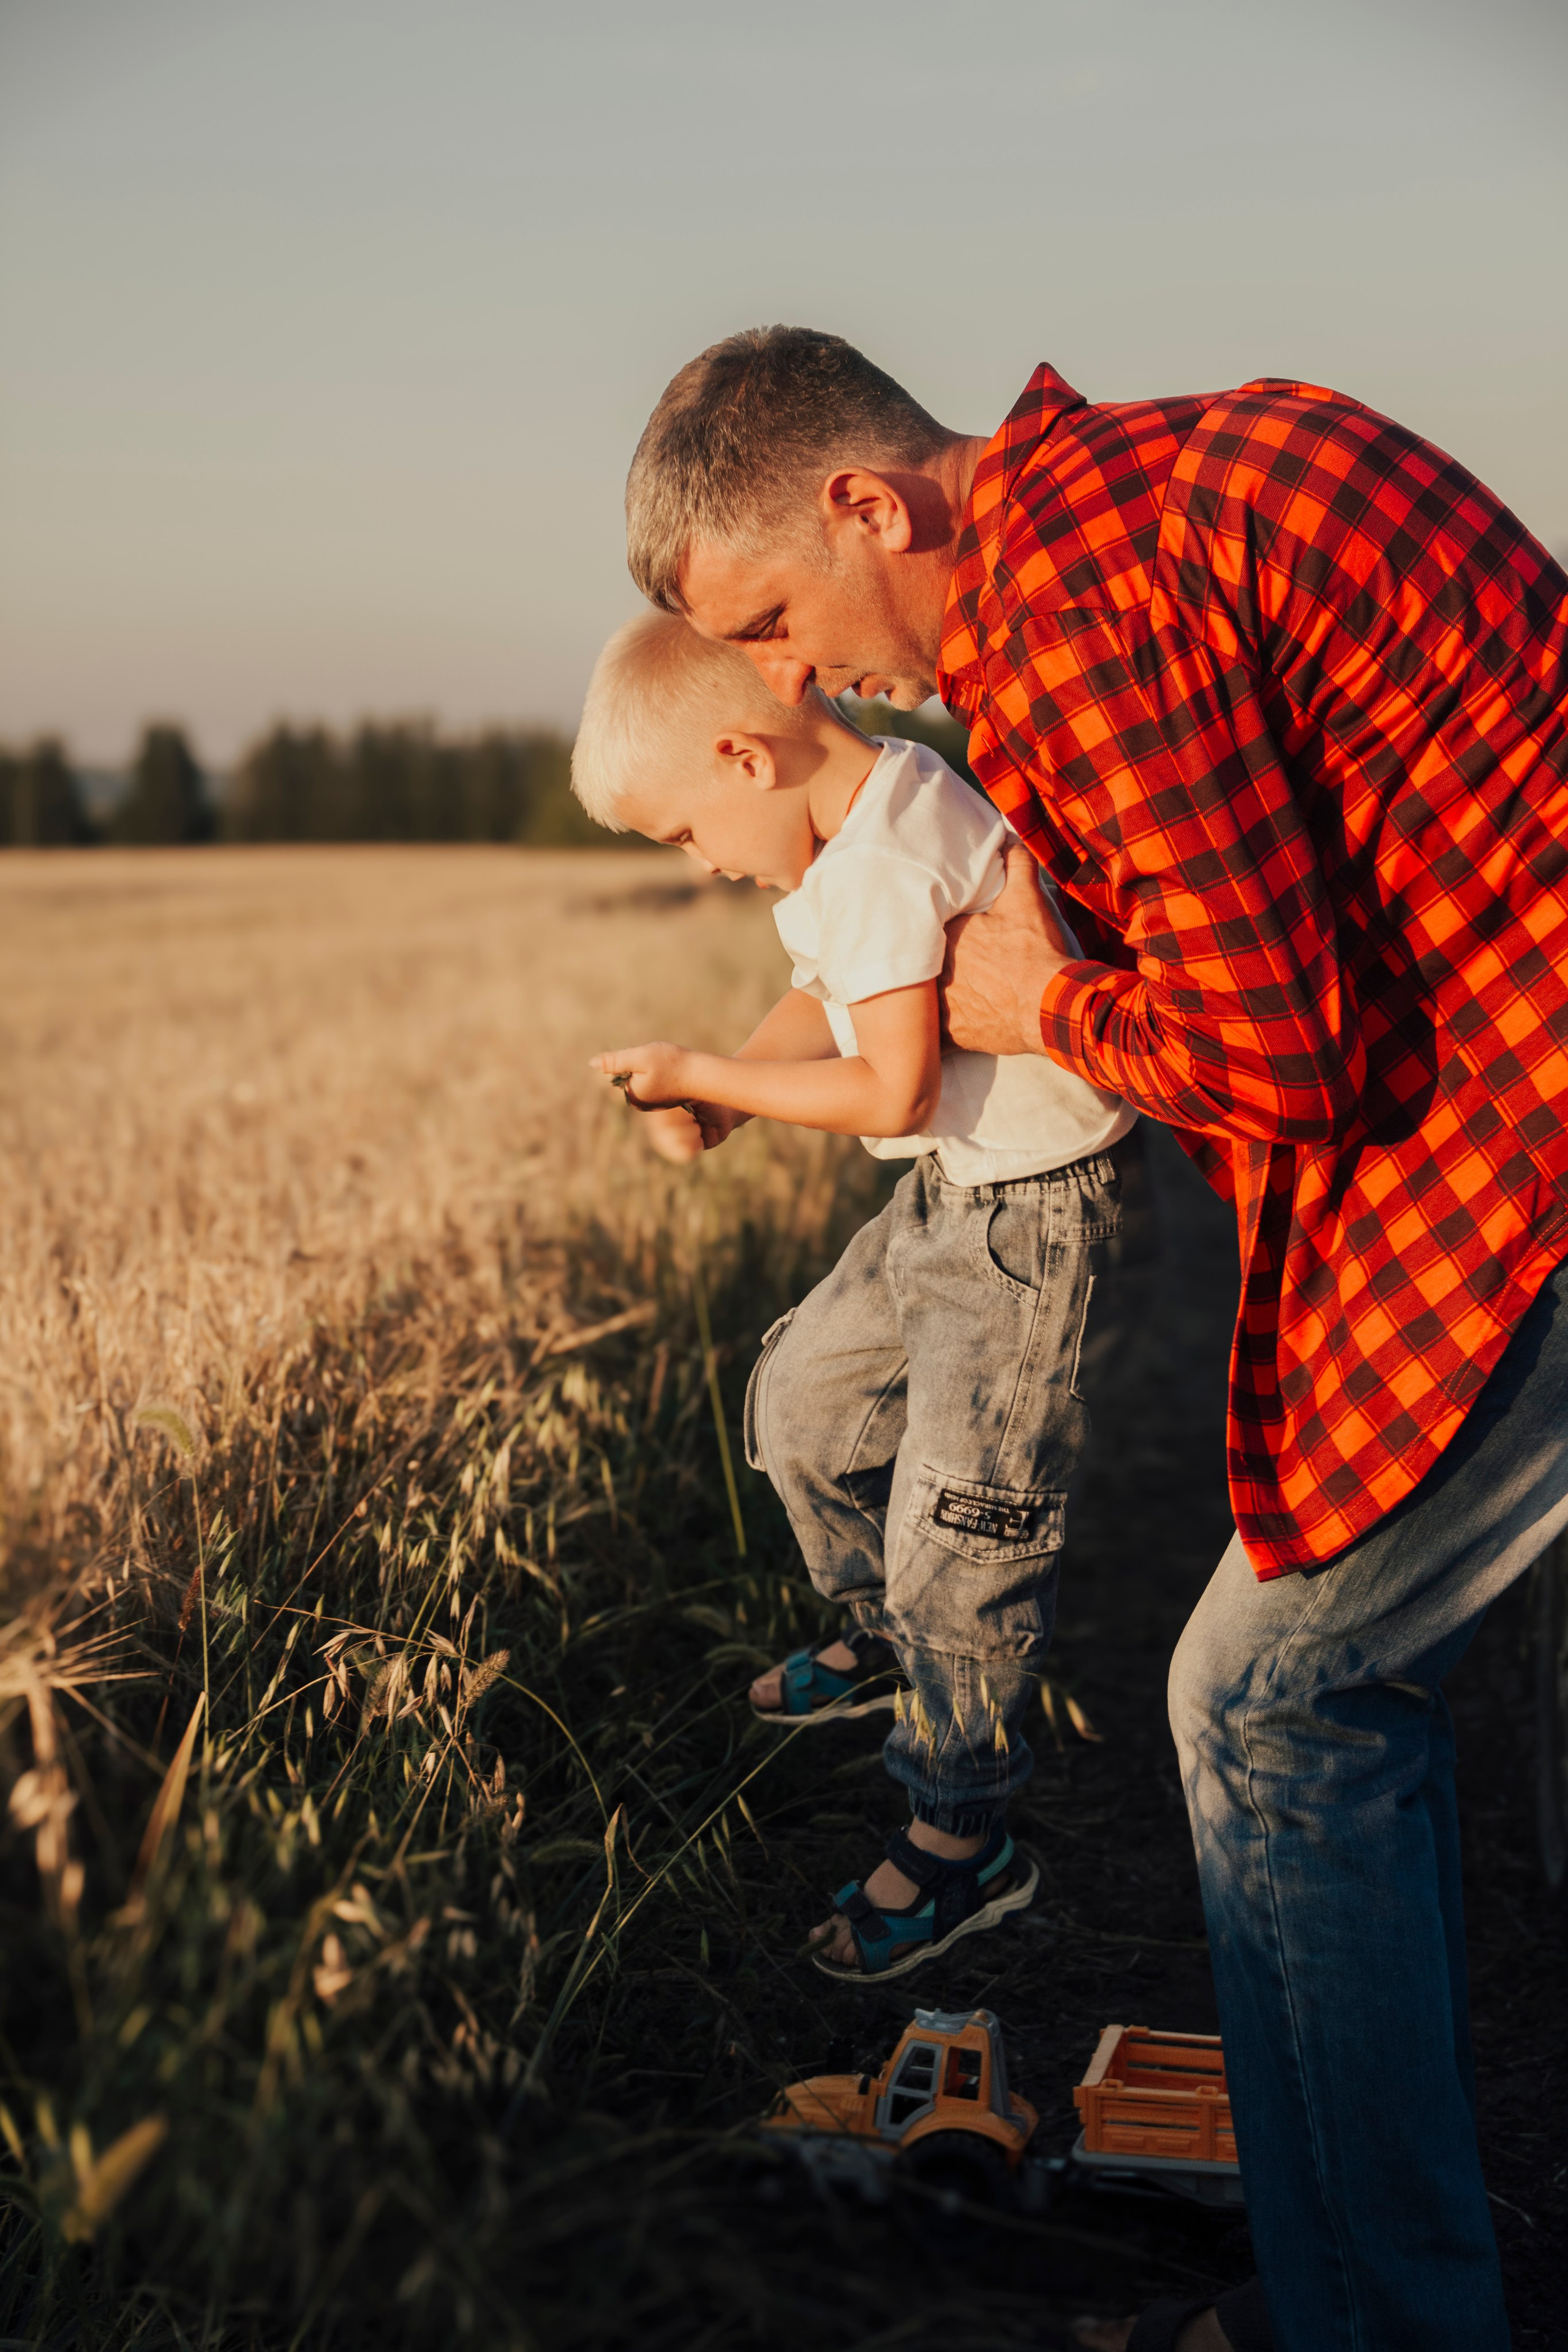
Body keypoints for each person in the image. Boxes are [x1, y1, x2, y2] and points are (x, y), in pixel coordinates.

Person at [622, 327, 1568, 2352]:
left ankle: (1383, 2321)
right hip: (1507, 1047)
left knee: (1266, 1706)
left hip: (1536, 1127)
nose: (792, 683)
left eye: (780, 616)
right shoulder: (1160, 479)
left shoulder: (1063, 629)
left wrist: (1032, 1006)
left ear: (873, 503)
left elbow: (1283, 1049)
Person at [572, 608, 1144, 1981]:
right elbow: (822, 996)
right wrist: (732, 1089)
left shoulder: (886, 851)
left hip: (1029, 1222)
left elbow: (888, 1086)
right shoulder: (847, 817)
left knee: (965, 1530)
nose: (702, 865)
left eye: (685, 835)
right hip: (951, 1190)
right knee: (802, 1408)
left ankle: (963, 1834)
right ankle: (886, 1637)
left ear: (739, 758)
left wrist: (706, 1080)